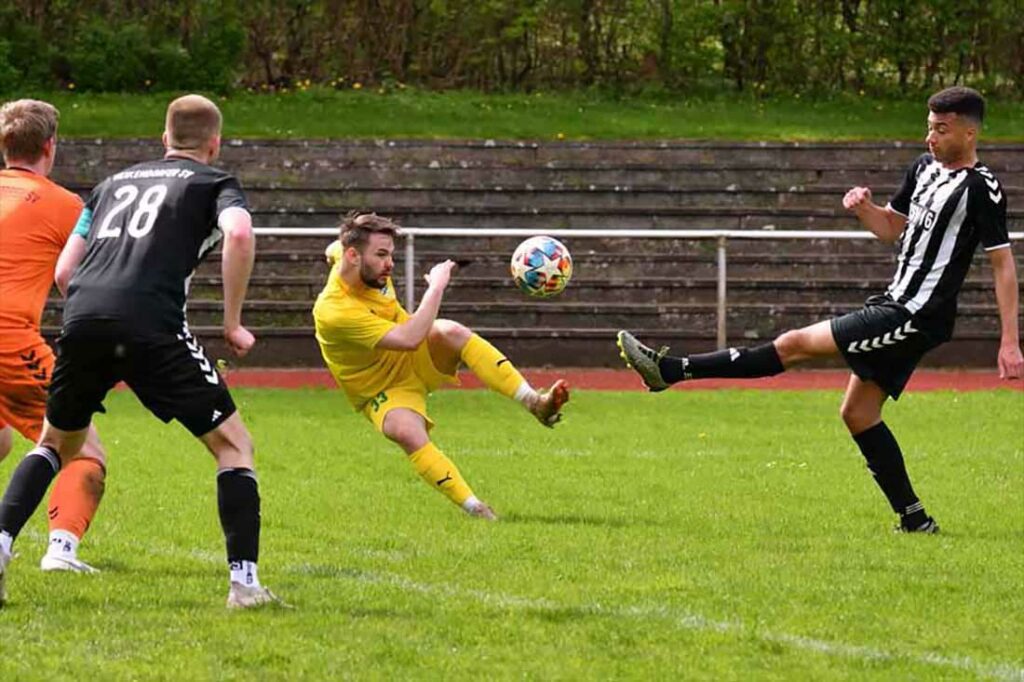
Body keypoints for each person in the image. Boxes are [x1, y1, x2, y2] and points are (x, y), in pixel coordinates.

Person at [617, 86, 1022, 533]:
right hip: (894, 303)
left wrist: (1009, 342)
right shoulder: (923, 169)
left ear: (969, 133)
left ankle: (670, 371)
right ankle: (915, 520)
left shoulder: (981, 188)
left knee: (792, 346)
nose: (930, 138)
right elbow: (890, 229)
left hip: (915, 315)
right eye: (928, 128)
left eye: (941, 130)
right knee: (858, 414)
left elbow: (1002, 263)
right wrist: (863, 209)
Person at [0, 94, 283, 608]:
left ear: (163, 139)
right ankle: (244, 585)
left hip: (82, 319)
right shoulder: (214, 182)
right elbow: (239, 232)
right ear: (215, 142)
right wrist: (232, 323)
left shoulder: (110, 186)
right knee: (233, 446)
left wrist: (98, 314)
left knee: (53, 443)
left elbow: (66, 272)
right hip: (152, 324)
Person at [313, 212, 570, 520]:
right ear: (354, 257)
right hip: (380, 389)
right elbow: (409, 336)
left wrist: (360, 224)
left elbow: (335, 247)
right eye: (381, 255)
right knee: (405, 431)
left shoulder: (347, 253)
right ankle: (477, 509)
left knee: (450, 332)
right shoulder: (333, 310)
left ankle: (535, 403)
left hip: (414, 357)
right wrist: (436, 286)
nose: (390, 264)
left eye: (391, 254)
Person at [0, 99, 108, 573]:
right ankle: (62, 550)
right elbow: (87, 273)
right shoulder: (66, 205)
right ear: (50, 146)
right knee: (82, 449)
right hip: (9, 340)